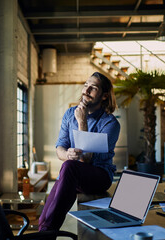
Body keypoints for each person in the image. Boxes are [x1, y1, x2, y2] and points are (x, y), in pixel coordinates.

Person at [38, 72, 120, 232]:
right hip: (74, 173)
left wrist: (82, 121)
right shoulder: (70, 114)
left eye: (93, 88)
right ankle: (45, 232)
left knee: (69, 167)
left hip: (100, 176)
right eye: (85, 85)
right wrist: (67, 154)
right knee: (66, 170)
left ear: (104, 96)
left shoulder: (110, 123)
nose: (86, 90)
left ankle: (46, 233)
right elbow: (60, 148)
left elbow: (87, 160)